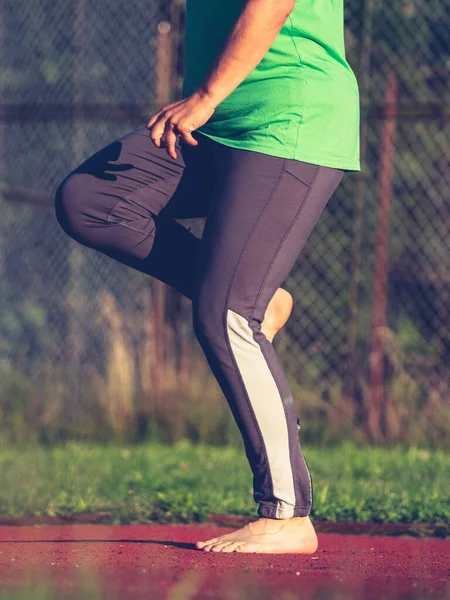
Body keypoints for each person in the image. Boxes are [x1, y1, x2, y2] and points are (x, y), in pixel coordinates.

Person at [54, 0, 360, 554]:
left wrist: (206, 96)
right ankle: (252, 300)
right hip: (216, 128)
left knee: (225, 317)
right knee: (92, 198)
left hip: (287, 118)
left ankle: (288, 515)